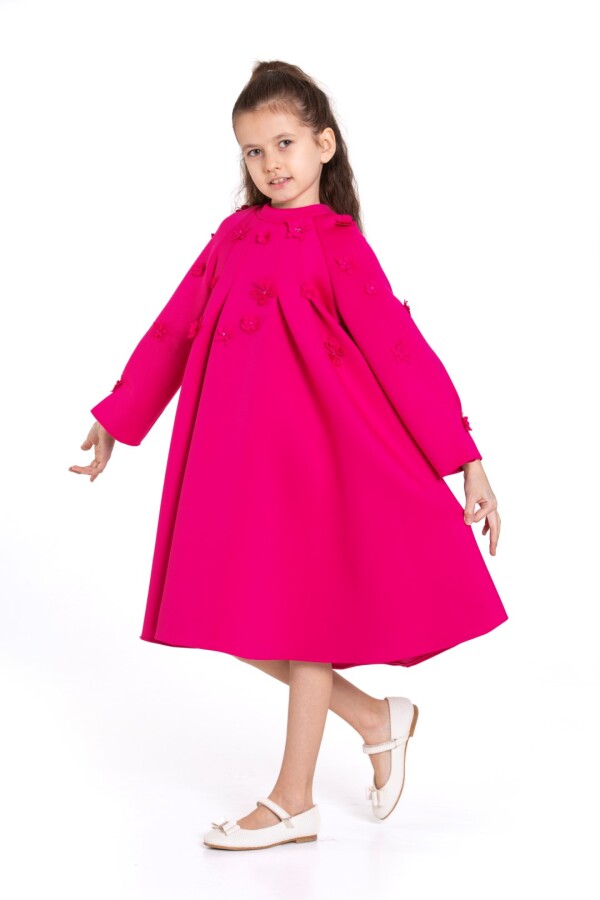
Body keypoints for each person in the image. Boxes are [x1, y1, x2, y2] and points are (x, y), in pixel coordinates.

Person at [69, 60, 508, 851]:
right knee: (220, 604)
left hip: (321, 459)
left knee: (306, 618)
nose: (270, 163)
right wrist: (117, 416)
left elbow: (399, 350)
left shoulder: (338, 243)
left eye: (284, 144)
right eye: (253, 150)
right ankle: (374, 718)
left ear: (323, 145)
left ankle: (293, 799)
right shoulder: (234, 237)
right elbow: (174, 328)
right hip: (239, 459)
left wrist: (464, 456)